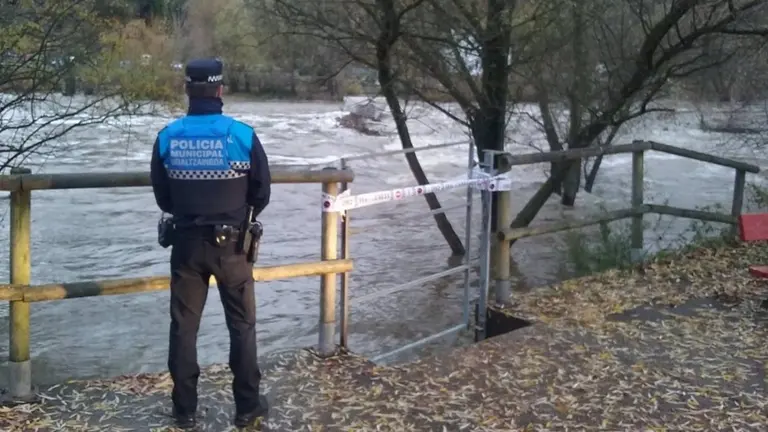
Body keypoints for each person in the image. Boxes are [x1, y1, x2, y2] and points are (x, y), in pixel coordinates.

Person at [150, 58, 271, 430]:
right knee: (241, 325)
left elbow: (163, 198)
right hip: (232, 247)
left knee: (184, 327)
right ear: (220, 90)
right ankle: (247, 407)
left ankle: (184, 410)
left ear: (187, 89)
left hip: (185, 245)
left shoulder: (168, 136)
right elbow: (262, 192)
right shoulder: (242, 136)